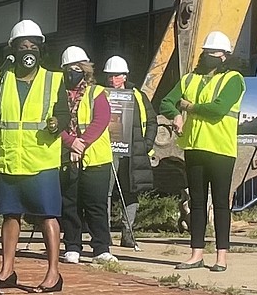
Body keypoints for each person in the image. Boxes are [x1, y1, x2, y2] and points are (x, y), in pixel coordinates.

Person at [0, 20, 69, 293]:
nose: (28, 51)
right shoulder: (0, 78)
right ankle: (7, 270)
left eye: (33, 46)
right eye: (23, 46)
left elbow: (64, 115)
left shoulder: (53, 78)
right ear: (12, 49)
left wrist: (57, 124)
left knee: (48, 216)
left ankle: (53, 274)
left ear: (40, 50)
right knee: (10, 215)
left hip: (41, 160)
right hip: (10, 158)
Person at [160, 31, 245, 272]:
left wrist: (188, 106)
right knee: (197, 203)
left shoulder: (234, 79)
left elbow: (218, 110)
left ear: (225, 56)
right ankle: (196, 254)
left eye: (215, 53)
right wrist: (176, 113)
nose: (210, 56)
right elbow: (167, 101)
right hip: (194, 147)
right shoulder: (189, 79)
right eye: (207, 52)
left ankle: (221, 257)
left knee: (220, 204)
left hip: (220, 149)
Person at [59, 46, 117, 265]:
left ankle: (101, 247)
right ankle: (72, 246)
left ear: (85, 70)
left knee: (95, 204)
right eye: (67, 69)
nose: (71, 73)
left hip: (95, 159)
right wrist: (70, 142)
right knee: (70, 204)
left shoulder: (97, 92)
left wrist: (81, 143)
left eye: (75, 68)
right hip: (67, 156)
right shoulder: (57, 94)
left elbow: (101, 120)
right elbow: (53, 122)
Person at [103, 55, 157, 248]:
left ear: (124, 76)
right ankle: (104, 236)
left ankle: (128, 234)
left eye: (116, 75)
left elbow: (151, 121)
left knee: (130, 193)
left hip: (133, 153)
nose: (112, 79)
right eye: (109, 75)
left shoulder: (138, 96)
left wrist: (147, 144)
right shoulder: (100, 94)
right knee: (104, 193)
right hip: (106, 152)